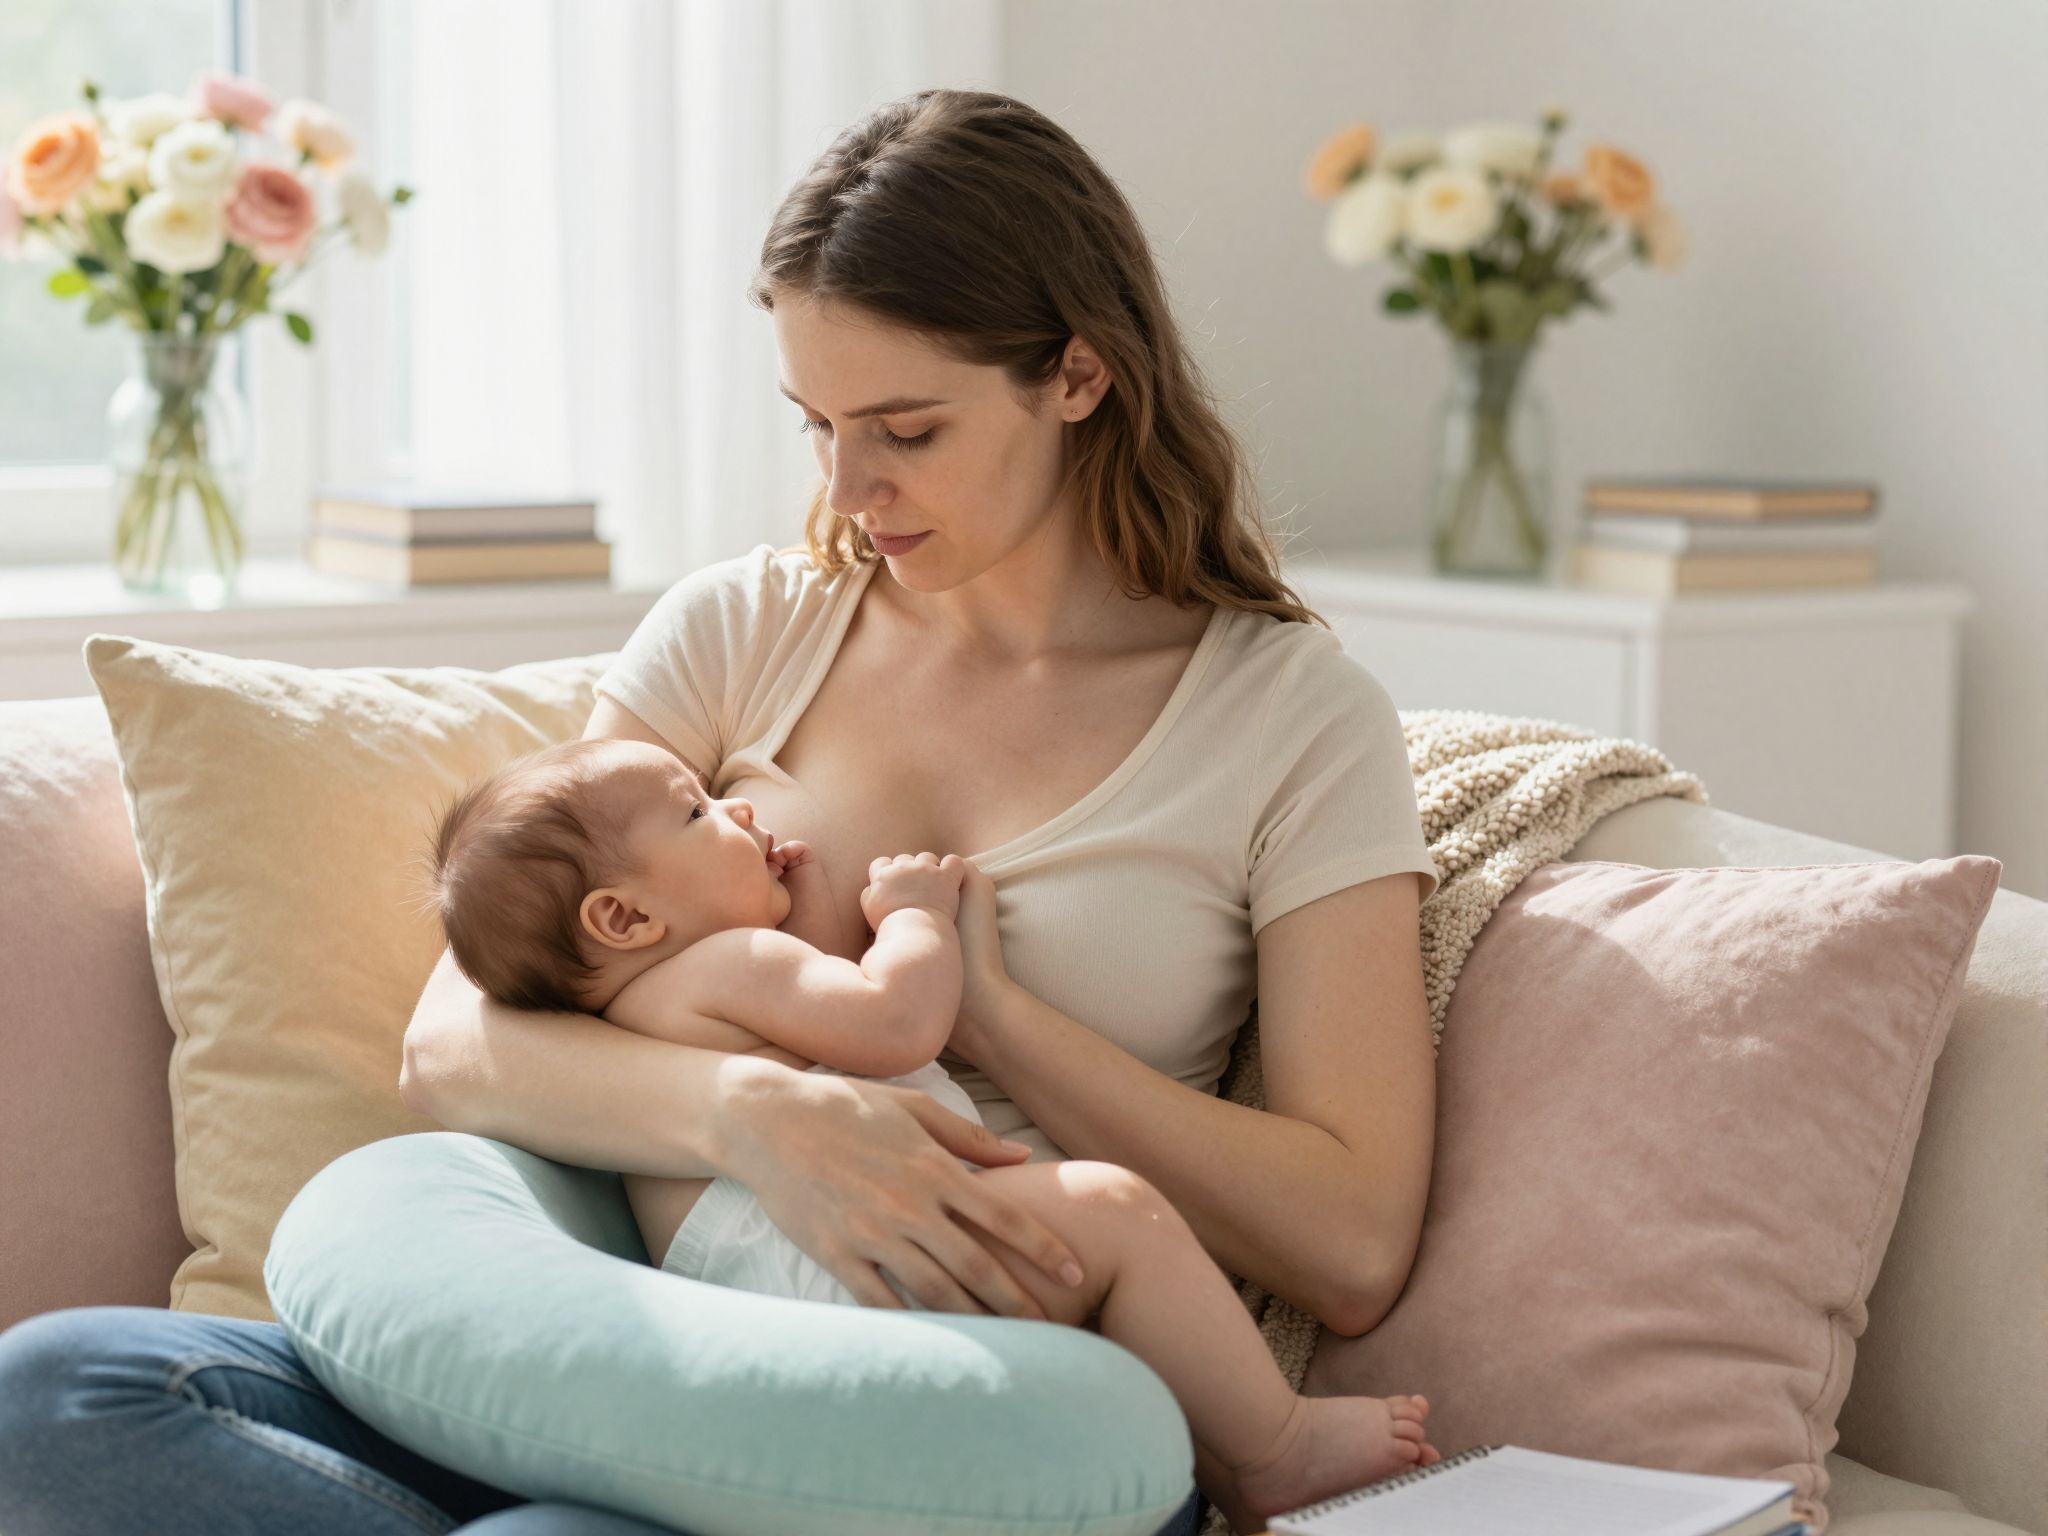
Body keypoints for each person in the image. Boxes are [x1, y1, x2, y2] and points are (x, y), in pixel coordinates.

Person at [0, 87, 1441, 1536]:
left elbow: (1352, 1239)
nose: (848, 486)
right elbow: (457, 1037)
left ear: (1078, 374)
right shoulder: (747, 629)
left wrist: (993, 1018)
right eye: (815, 423)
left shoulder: (1291, 717)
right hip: (655, 1332)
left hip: (972, 1410)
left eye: (906, 429)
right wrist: (760, 1115)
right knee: (65, 1390)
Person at [422, 737, 1443, 1531]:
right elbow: (896, 1024)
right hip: (841, 1259)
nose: (734, 806)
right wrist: (909, 918)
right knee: (1115, 1213)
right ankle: (1273, 1447)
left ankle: (1228, 1466)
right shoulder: (732, 961)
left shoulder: (638, 1009)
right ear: (624, 919)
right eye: (695, 812)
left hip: (766, 1288)